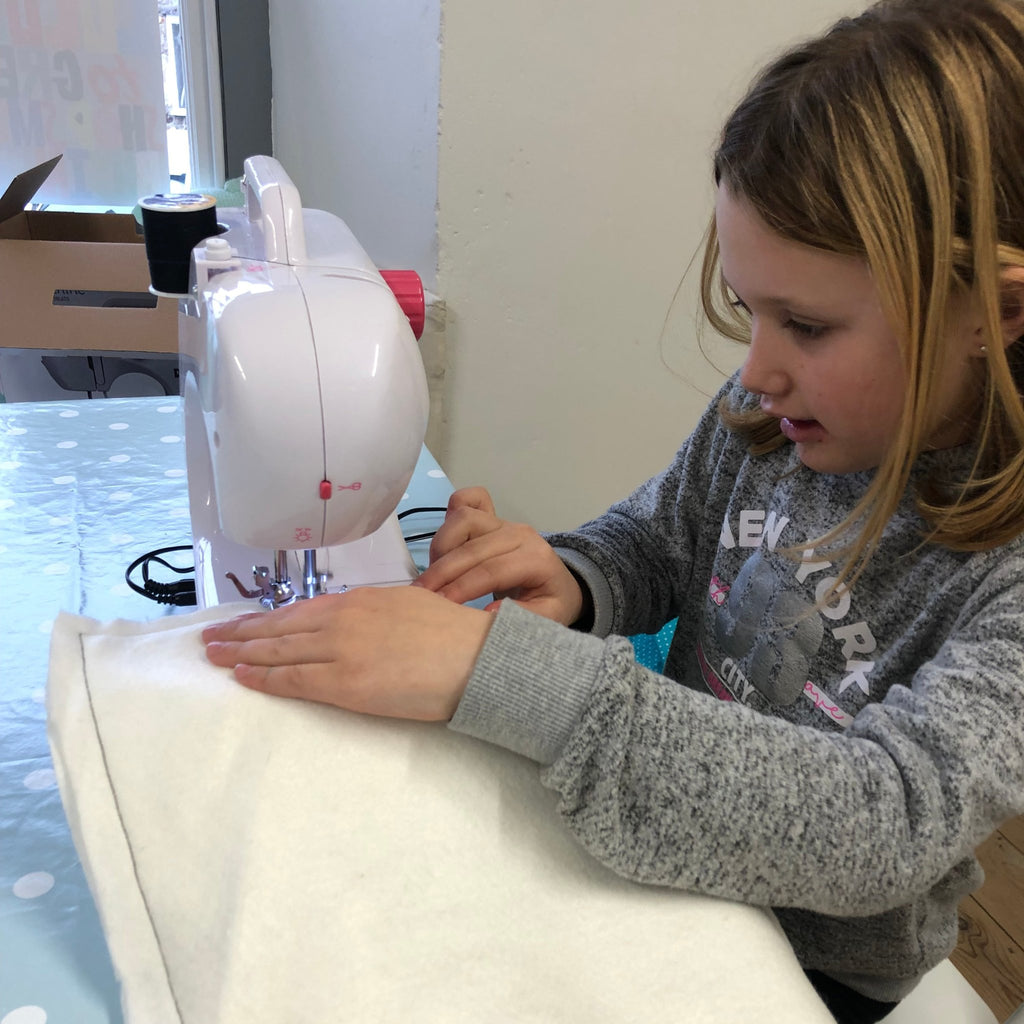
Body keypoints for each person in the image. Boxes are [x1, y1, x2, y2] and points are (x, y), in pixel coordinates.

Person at [202, 1, 1024, 1020]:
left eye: (806, 324)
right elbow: (657, 542)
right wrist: (578, 579)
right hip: (665, 860)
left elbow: (879, 826)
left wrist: (495, 671)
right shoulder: (775, 412)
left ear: (995, 311)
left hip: (814, 963)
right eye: (749, 308)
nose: (757, 367)